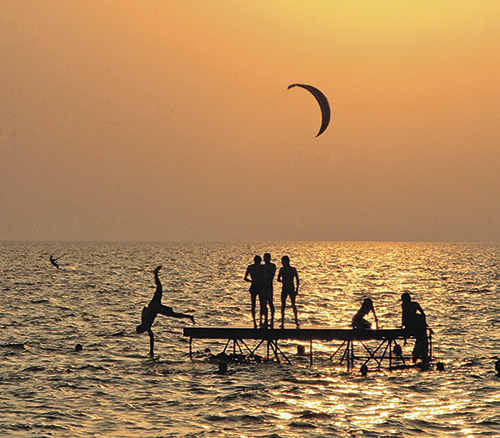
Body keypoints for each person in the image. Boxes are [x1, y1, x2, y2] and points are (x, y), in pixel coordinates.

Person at [136, 265, 195, 357]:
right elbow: (144, 309)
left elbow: (152, 338)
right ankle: (189, 316)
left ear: (142, 328)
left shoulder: (146, 325)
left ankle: (155, 274)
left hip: (155, 307)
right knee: (172, 314)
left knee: (160, 288)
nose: (145, 331)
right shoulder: (143, 319)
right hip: (155, 307)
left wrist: (151, 351)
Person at [401, 292, 429, 363]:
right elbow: (423, 314)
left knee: (421, 338)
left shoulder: (405, 305)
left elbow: (404, 316)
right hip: (414, 325)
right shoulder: (414, 304)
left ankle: (417, 354)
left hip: (412, 325)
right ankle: (420, 354)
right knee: (422, 337)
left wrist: (403, 324)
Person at [277, 255, 300, 329]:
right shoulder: (282, 269)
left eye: (283, 261)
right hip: (285, 288)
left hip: (291, 288)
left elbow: (297, 279)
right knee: (283, 304)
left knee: (293, 304)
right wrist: (283, 281)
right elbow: (278, 279)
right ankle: (282, 322)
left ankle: (296, 321)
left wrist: (297, 289)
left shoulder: (292, 269)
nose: (282, 263)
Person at [244, 255, 265, 328]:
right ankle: (261, 321)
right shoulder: (262, 268)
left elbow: (245, 278)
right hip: (260, 286)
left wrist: (251, 281)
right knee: (261, 304)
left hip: (254, 285)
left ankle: (255, 322)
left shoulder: (250, 267)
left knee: (254, 304)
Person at [261, 253, 276, 328]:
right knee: (263, 303)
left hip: (269, 286)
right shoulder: (262, 267)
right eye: (264, 258)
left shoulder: (272, 266)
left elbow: (271, 276)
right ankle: (265, 320)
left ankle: (272, 319)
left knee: (270, 302)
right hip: (263, 286)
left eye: (266, 258)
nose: (265, 259)